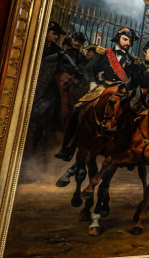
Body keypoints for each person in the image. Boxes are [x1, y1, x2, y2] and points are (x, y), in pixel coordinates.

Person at [55, 28, 140, 161]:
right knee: (78, 110)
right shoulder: (104, 53)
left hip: (120, 91)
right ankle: (67, 148)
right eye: (125, 39)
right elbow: (88, 69)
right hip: (102, 88)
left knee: (132, 117)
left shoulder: (133, 61)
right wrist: (92, 82)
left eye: (130, 41)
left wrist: (126, 89)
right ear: (118, 38)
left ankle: (128, 153)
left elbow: (135, 81)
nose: (128, 43)